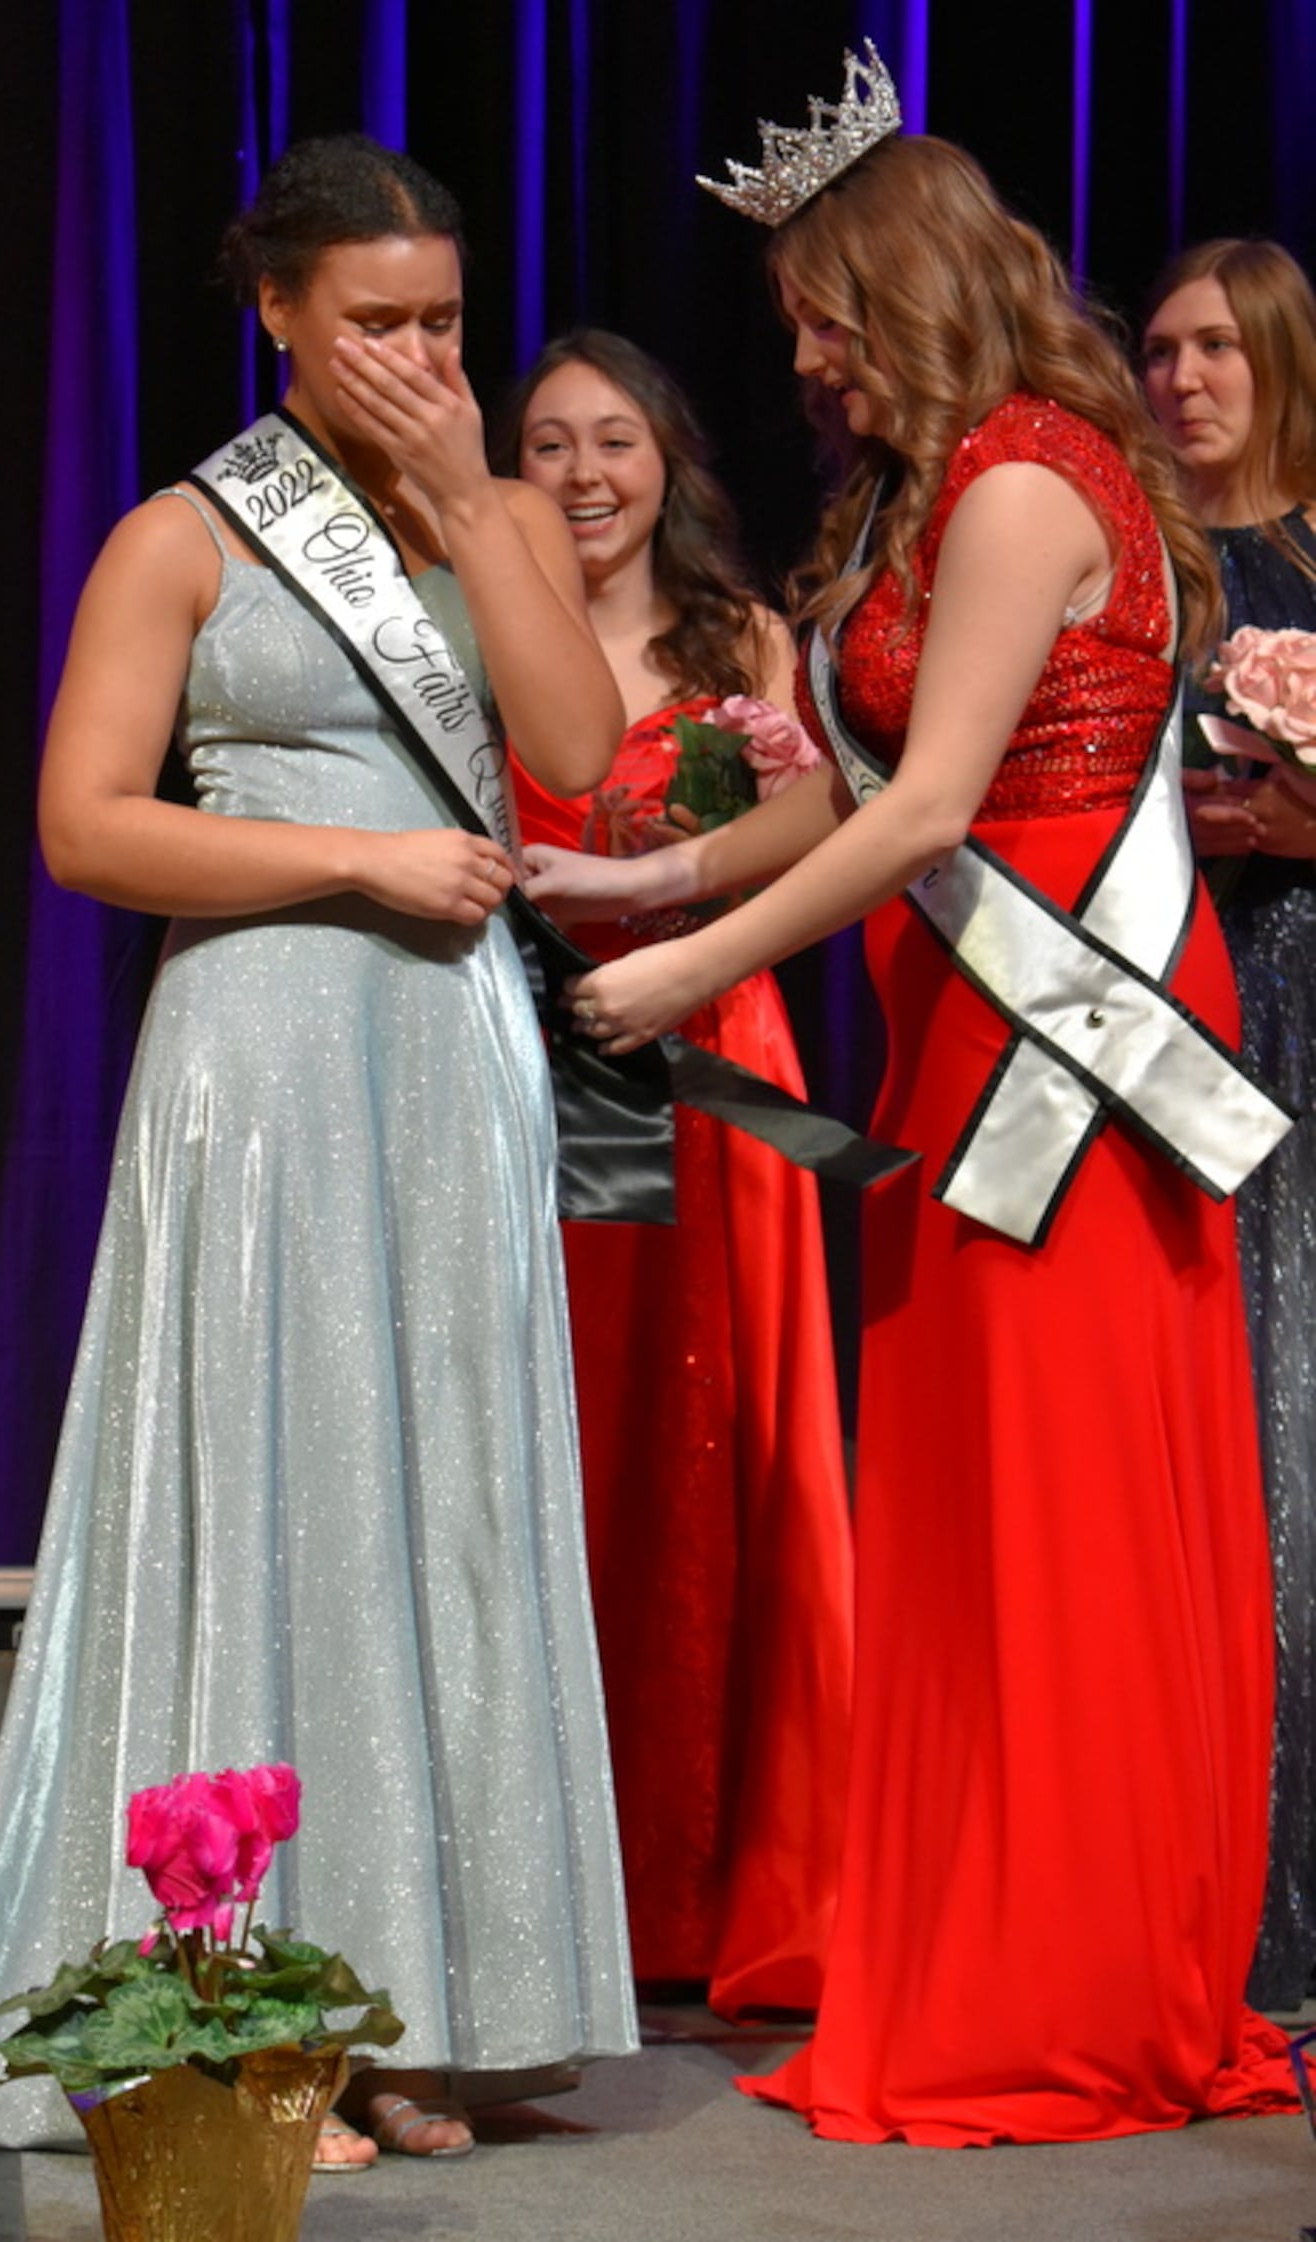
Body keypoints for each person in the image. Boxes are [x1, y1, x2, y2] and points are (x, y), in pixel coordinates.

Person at [524, 48, 1299, 2144]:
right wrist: (640, 872)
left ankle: (1059, 1982)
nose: (802, 355)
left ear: (911, 288)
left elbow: (935, 802)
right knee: (963, 1517)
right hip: (972, 1029)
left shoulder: (1032, 476)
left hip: (1064, 1043)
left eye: (821, 313)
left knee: (1050, 1517)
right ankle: (982, 1939)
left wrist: (690, 966)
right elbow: (857, 801)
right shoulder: (951, 486)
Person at [0, 133, 638, 2165]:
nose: (411, 354)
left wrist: (478, 501)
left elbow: (576, 755)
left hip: (448, 1051)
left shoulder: (492, 511)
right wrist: (355, 853)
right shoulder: (185, 536)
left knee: (437, 1507)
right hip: (262, 1044)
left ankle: (413, 2008)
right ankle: (234, 2017)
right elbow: (88, 826)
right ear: (277, 318)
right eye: (372, 325)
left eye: (439, 320)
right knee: (269, 1500)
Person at [496, 331, 852, 2012]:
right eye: (549, 441)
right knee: (578, 1451)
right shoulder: (484, 634)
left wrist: (666, 898)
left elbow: (828, 823)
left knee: (735, 1448)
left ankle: (738, 1884)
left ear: (668, 460)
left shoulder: (741, 639)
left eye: (613, 439)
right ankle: (571, 1891)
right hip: (540, 1061)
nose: (581, 473)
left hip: (714, 1058)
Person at [1143, 237, 1316, 2013]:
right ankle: (1220, 1908)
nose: (1183, 377)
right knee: (1223, 1462)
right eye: (1164, 348)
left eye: (1218, 348)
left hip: (1309, 990)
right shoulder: (1146, 573)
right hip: (1186, 1013)